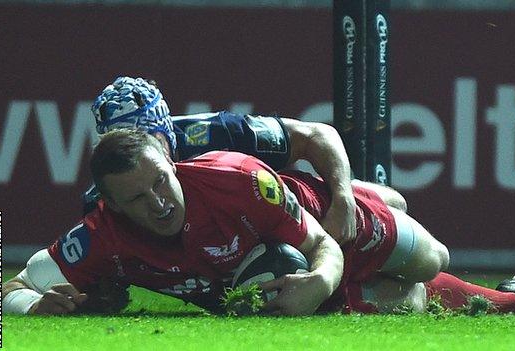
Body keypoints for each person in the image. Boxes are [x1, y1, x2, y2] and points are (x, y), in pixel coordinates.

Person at [3, 130, 515, 316]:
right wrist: (41, 307)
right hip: (270, 265)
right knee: (403, 305)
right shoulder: (99, 232)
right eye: (136, 199)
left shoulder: (237, 173)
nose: (158, 202)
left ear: (172, 161)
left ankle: (377, 199)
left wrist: (321, 279)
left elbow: (321, 242)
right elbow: (12, 292)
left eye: (161, 182)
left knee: (433, 259)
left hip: (316, 219)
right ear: (108, 204)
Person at [85, 76, 407, 245]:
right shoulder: (105, 195)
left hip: (287, 222)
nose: (135, 154)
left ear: (166, 130)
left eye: (147, 140)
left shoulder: (216, 133)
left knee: (395, 206)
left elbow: (316, 136)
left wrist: (343, 200)